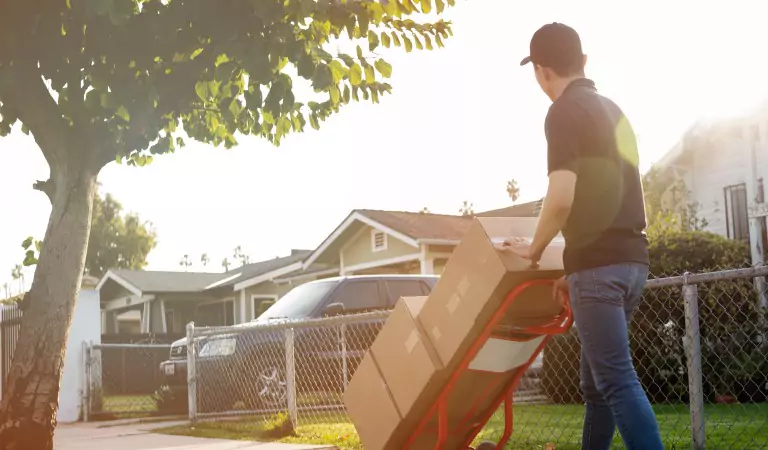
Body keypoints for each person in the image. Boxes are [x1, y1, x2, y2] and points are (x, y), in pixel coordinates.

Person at [502, 23, 664, 450]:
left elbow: (560, 198)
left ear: (540, 70)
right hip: (631, 262)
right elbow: (612, 192)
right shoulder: (613, 109)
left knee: (615, 381)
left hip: (601, 267)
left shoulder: (562, 112)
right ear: (584, 62)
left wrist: (533, 252)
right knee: (596, 384)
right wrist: (573, 270)